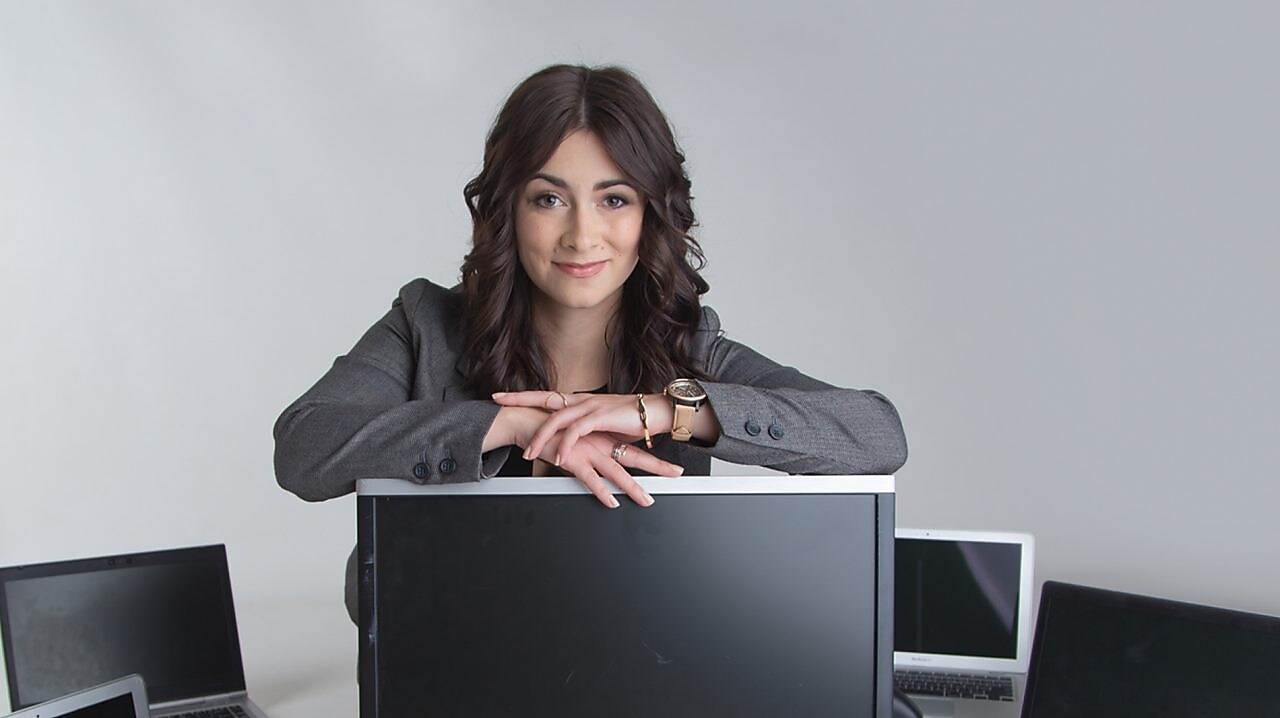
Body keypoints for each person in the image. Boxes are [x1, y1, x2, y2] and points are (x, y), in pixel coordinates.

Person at [273, 64, 908, 621]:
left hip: (637, 675)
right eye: (549, 198)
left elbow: (877, 435)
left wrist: (663, 411)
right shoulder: (427, 325)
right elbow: (303, 447)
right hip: (445, 669)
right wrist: (510, 424)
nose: (582, 236)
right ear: (507, 210)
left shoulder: (689, 349)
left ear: (650, 215)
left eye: (614, 200)